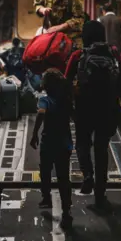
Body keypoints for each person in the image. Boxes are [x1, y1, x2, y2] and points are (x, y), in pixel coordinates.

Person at [65, 21, 121, 208]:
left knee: (82, 143)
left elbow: (66, 81)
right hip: (107, 107)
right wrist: (117, 97)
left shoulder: (79, 55)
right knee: (102, 148)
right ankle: (101, 193)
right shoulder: (114, 53)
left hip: (84, 107)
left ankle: (87, 174)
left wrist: (71, 103)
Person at [29, 68, 74, 229]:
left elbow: (41, 115)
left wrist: (34, 135)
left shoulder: (45, 101)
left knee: (45, 170)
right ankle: (67, 210)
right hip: (64, 143)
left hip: (48, 143)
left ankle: (46, 197)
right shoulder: (67, 101)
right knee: (64, 178)